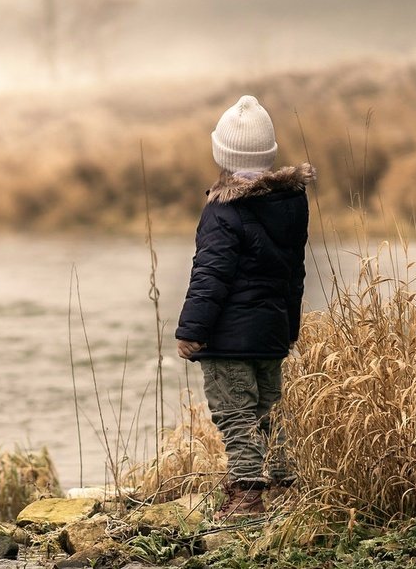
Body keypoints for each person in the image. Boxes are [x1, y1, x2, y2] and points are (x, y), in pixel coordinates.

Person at [174, 94, 313, 518]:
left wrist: (191, 331)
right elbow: (294, 271)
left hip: (229, 339)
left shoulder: (222, 209)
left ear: (223, 153)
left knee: (236, 414)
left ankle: (247, 495)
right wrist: (288, 327)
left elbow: (210, 276)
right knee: (271, 409)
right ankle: (286, 487)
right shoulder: (291, 203)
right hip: (271, 332)